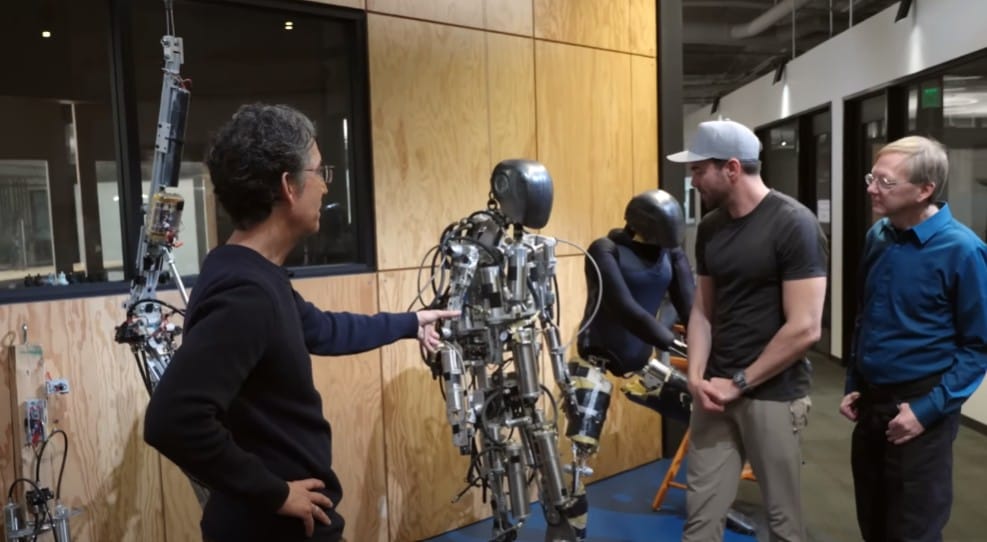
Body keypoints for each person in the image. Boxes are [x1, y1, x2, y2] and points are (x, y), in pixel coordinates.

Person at [143, 103, 457, 542]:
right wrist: (273, 493)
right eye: (317, 170)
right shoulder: (246, 294)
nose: (326, 185)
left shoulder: (250, 273)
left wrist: (411, 322)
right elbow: (172, 420)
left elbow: (323, 329)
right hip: (276, 526)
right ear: (289, 186)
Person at [667, 119, 828, 541]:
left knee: (782, 524)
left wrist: (740, 382)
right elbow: (703, 308)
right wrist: (697, 377)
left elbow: (805, 328)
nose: (693, 178)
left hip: (772, 393)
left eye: (699, 169)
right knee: (700, 519)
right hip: (715, 391)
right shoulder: (711, 228)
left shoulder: (795, 224)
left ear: (732, 169)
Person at [841, 136, 987, 542]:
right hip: (871, 403)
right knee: (873, 521)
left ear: (925, 190)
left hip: (921, 408)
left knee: (913, 531)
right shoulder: (879, 236)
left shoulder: (963, 250)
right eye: (873, 177)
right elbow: (865, 316)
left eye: (885, 182)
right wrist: (855, 383)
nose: (871, 188)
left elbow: (979, 346)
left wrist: (927, 410)